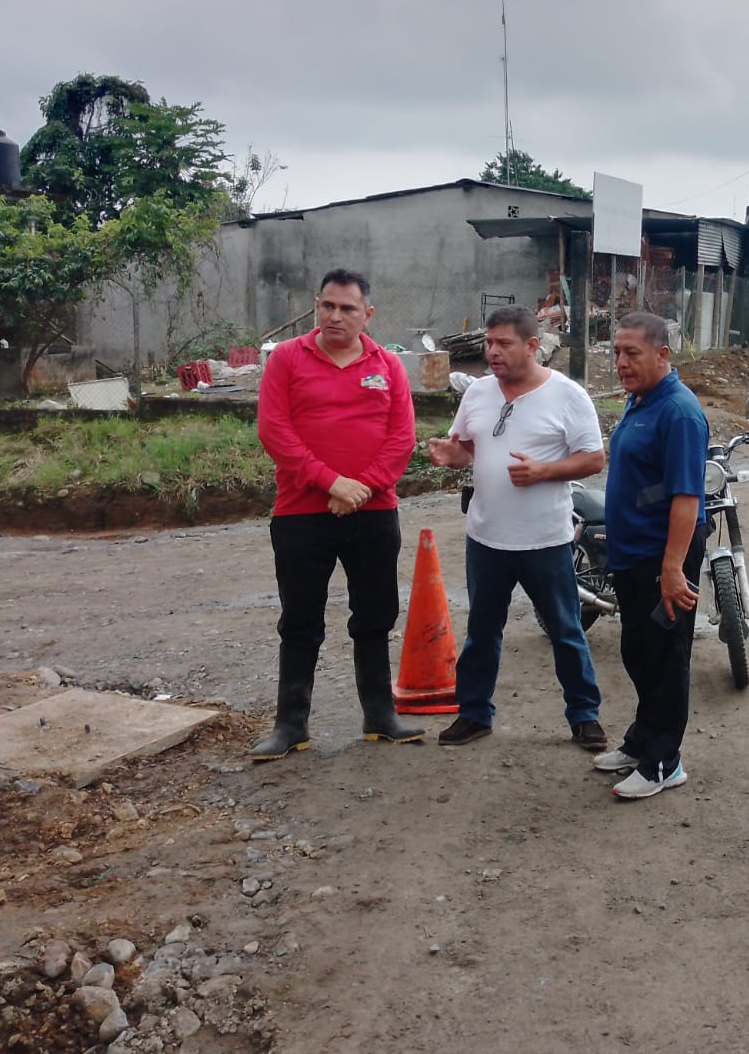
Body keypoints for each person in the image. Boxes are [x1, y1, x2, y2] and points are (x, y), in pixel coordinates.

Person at [250, 268, 424, 760]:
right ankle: (291, 726)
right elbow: (274, 430)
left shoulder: (387, 365)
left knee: (374, 615)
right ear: (316, 306)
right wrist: (331, 482)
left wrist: (359, 489)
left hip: (374, 512)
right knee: (300, 620)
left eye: (348, 308)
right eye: (327, 305)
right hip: (301, 513)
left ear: (367, 314)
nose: (335, 316)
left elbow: (401, 438)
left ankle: (380, 716)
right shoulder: (287, 358)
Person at [427, 306, 608, 750]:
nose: (493, 352)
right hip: (486, 538)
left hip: (545, 540)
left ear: (532, 346)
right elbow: (467, 448)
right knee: (482, 632)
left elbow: (593, 459)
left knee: (566, 631)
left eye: (504, 343)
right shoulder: (478, 393)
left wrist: (544, 471)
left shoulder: (567, 395)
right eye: (489, 343)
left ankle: (584, 716)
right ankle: (474, 714)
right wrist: (452, 456)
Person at [594, 312, 710, 800]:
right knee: (638, 652)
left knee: (665, 659)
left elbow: (686, 497)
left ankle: (664, 762)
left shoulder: (679, 412)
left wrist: (672, 569)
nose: (621, 363)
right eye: (616, 353)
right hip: (634, 554)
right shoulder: (640, 399)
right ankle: (642, 740)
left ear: (663, 355)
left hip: (663, 556)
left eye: (632, 353)